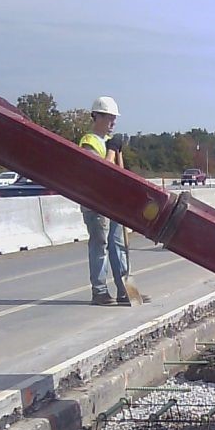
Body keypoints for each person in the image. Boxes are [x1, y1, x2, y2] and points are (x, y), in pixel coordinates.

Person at [79, 96, 129, 306]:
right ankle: (99, 291)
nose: (113, 123)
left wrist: (117, 151)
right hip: (96, 204)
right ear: (96, 116)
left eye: (114, 118)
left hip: (113, 203)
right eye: (109, 118)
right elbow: (99, 172)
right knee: (100, 246)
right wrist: (111, 149)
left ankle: (126, 290)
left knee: (118, 246)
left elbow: (120, 172)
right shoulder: (88, 142)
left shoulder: (107, 143)